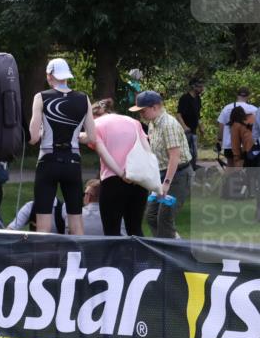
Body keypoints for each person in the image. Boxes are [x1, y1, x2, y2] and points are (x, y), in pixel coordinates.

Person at [28, 58, 124, 235]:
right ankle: (78, 260)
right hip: (72, 161)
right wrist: (75, 136)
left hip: (48, 161)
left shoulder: (41, 97)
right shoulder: (83, 98)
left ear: (50, 76)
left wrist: (43, 133)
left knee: (43, 223)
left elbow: (33, 138)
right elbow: (92, 137)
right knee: (76, 220)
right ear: (67, 77)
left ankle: (44, 260)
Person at [130, 90, 192, 239]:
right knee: (151, 216)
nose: (141, 115)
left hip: (178, 176)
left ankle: (172, 256)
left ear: (155, 107)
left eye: (143, 111)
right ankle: (170, 247)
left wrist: (166, 183)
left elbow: (175, 156)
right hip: (162, 174)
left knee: (164, 220)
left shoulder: (168, 124)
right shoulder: (152, 123)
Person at [92, 98, 149, 236]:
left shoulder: (95, 124)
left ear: (94, 115)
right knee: (135, 228)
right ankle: (140, 258)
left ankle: (116, 258)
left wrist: (121, 173)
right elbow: (147, 149)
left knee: (112, 230)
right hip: (138, 179)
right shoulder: (134, 122)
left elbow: (103, 153)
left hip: (113, 180)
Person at [216, 87, 257, 164]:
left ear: (237, 95)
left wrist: (220, 140)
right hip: (246, 144)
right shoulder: (254, 109)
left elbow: (221, 125)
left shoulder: (227, 108)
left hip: (229, 144)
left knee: (231, 167)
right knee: (245, 167)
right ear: (248, 96)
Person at [176, 79, 204, 170]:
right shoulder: (185, 98)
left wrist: (201, 127)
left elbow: (198, 115)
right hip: (185, 131)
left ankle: (192, 171)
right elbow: (178, 114)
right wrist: (184, 126)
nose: (202, 89)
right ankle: (185, 171)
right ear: (194, 87)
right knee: (186, 153)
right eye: (200, 87)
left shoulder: (198, 99)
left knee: (194, 153)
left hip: (194, 130)